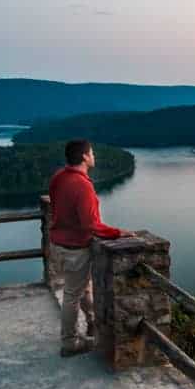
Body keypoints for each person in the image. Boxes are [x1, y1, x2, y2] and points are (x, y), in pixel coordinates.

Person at [48, 138, 133, 357]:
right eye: (92, 153)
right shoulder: (83, 185)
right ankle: (69, 342)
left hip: (58, 244)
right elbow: (90, 224)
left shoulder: (59, 177)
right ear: (85, 157)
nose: (94, 156)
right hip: (75, 248)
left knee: (82, 288)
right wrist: (117, 232)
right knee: (71, 295)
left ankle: (93, 323)